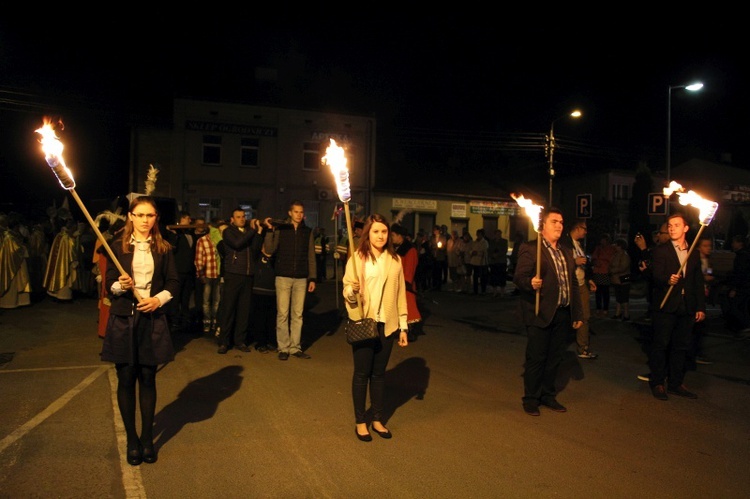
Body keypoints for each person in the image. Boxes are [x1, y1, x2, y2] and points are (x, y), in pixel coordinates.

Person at [100, 196, 179, 466]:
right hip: (123, 319)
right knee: (125, 380)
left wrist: (158, 299)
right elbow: (108, 284)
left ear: (156, 218)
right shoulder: (116, 248)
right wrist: (121, 285)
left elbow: (173, 282)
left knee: (148, 378)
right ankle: (132, 440)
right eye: (141, 215)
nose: (146, 221)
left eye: (151, 216)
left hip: (152, 319)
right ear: (130, 216)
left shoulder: (164, 248)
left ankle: (147, 439)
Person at [342, 213, 409, 441]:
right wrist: (352, 291)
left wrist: (403, 326)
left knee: (379, 375)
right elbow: (347, 293)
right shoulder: (357, 258)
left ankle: (378, 419)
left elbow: (400, 295)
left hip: (387, 324)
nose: (380, 235)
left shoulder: (395, 260)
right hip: (364, 322)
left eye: (384, 231)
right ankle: (361, 421)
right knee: (362, 374)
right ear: (368, 234)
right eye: (375, 231)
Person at [513, 207, 583, 416]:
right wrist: (530, 283)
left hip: (562, 312)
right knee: (537, 358)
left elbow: (572, 283)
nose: (559, 225)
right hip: (539, 311)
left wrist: (577, 313)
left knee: (555, 358)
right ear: (543, 225)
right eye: (554, 222)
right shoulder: (531, 248)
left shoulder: (566, 251)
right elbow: (519, 277)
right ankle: (531, 398)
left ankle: (547, 395)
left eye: (561, 222)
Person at [648, 212, 705, 401]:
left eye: (676, 225)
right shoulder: (661, 250)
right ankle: (657, 382)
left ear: (686, 228)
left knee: (681, 347)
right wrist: (667, 279)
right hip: (666, 306)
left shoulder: (693, 253)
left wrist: (700, 307)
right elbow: (655, 275)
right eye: (670, 225)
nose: (672, 228)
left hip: (686, 306)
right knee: (661, 345)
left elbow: (697, 281)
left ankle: (675, 383)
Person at [263, 200, 317, 361]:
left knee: (298, 314)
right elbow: (270, 249)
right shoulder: (281, 229)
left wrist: (312, 277)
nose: (299, 215)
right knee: (283, 314)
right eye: (296, 212)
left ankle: (295, 347)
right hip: (283, 276)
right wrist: (269, 230)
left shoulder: (307, 231)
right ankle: (283, 347)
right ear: (290, 213)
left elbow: (311, 256)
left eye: (301, 212)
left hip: (301, 277)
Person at [217, 208, 263, 354]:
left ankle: (240, 341)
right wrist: (252, 231)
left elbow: (255, 250)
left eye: (244, 216)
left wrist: (259, 233)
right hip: (233, 274)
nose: (242, 219)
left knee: (244, 310)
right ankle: (224, 342)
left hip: (248, 275)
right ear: (232, 219)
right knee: (229, 308)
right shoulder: (228, 232)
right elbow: (237, 244)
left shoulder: (249, 232)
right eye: (238, 217)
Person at [563, 220, 598, 359]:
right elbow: (561, 261)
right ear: (577, 228)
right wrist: (574, 262)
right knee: (565, 315)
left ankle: (583, 347)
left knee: (584, 316)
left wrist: (589, 279)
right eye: (584, 229)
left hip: (581, 283)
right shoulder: (565, 243)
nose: (586, 231)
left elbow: (583, 264)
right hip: (570, 284)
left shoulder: (578, 244)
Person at [391, 223, 422, 341]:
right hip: (396, 283)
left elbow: (410, 268)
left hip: (405, 285)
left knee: (408, 309)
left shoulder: (410, 249)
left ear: (400, 236)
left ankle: (410, 332)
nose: (391, 238)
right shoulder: (396, 248)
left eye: (393, 235)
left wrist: (405, 282)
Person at [166, 211, 196, 332]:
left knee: (186, 297)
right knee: (176, 297)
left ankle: (185, 318)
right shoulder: (174, 234)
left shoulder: (191, 234)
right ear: (183, 219)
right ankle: (174, 319)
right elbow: (173, 249)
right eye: (188, 218)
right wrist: (175, 235)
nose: (190, 221)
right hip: (178, 270)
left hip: (189, 270)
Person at [0, 213, 32, 309]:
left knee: (19, 281)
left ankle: (20, 301)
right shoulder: (9, 237)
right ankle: (9, 303)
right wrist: (23, 248)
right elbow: (14, 250)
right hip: (13, 262)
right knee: (13, 281)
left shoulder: (11, 235)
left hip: (16, 262)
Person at [194, 219, 220, 335]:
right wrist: (200, 274)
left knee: (217, 301)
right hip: (208, 274)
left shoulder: (220, 240)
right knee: (206, 301)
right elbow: (199, 259)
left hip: (218, 274)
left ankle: (215, 322)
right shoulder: (202, 240)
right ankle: (207, 322)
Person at [726, 235, 750, 339]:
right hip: (745, 285)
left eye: (734, 242)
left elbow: (739, 273)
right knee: (742, 307)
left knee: (735, 307)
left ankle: (745, 326)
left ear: (740, 243)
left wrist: (734, 288)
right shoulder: (744, 255)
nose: (732, 244)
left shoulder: (741, 256)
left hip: (742, 286)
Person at [591, 233, 615, 317]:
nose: (602, 241)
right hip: (597, 272)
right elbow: (593, 258)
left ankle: (605, 308)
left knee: (605, 292)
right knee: (598, 292)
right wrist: (595, 262)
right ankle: (598, 308)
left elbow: (612, 259)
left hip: (606, 272)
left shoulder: (611, 249)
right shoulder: (598, 248)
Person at [609, 238, 632, 321]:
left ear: (620, 246)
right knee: (618, 297)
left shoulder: (624, 255)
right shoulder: (615, 255)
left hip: (623, 278)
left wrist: (613, 270)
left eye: (616, 245)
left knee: (624, 297)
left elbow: (623, 267)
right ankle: (618, 313)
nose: (615, 246)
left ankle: (626, 314)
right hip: (616, 279)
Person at [487, 229, 509, 297]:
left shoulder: (504, 241)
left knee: (501, 276)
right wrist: (492, 255)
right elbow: (489, 250)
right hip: (494, 262)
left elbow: (504, 250)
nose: (498, 235)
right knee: (494, 276)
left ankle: (502, 292)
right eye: (497, 234)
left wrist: (498, 255)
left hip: (501, 261)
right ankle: (495, 291)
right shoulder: (491, 242)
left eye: (499, 234)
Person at [468, 228, 489, 295]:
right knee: (475, 277)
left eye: (479, 234)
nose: (478, 235)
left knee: (482, 277)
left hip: (481, 262)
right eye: (477, 234)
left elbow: (484, 251)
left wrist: (476, 253)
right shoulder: (474, 242)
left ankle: (483, 290)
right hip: (474, 262)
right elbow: (470, 249)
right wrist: (472, 252)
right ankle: (475, 290)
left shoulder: (485, 242)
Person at [429, 225, 447, 291]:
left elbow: (444, 247)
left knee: (439, 272)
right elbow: (430, 246)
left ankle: (439, 286)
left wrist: (440, 247)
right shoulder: (432, 238)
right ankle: (434, 285)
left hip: (440, 256)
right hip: (434, 256)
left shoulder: (443, 237)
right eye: (433, 230)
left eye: (435, 230)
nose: (434, 231)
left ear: (438, 231)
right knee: (434, 272)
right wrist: (432, 247)